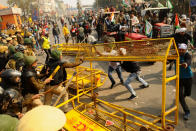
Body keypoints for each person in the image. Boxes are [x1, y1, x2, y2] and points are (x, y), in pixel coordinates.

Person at [178, 44, 193, 120]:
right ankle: (187, 111)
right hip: (179, 78)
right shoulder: (176, 55)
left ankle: (184, 96)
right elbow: (170, 59)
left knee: (188, 93)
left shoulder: (187, 55)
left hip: (188, 78)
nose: (180, 51)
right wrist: (167, 61)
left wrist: (186, 64)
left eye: (182, 50)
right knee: (180, 96)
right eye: (179, 49)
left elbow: (189, 61)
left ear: (185, 50)